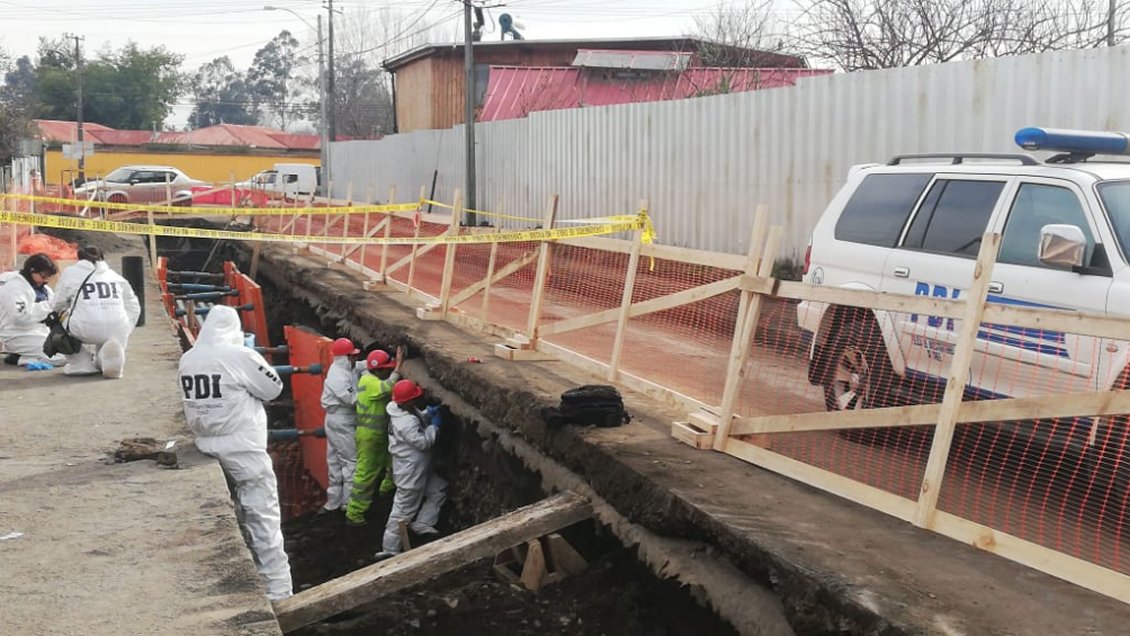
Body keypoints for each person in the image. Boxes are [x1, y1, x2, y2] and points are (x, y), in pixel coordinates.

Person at [178, 305, 292, 602]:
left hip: (206, 444)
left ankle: (253, 575)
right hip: (243, 447)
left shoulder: (188, 358)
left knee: (236, 514)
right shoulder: (238, 355)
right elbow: (273, 389)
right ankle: (279, 590)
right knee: (263, 516)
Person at [375, 379, 447, 560]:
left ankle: (423, 523)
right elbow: (423, 442)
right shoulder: (405, 422)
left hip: (419, 468)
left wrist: (427, 415)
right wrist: (435, 427)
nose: (416, 401)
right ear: (406, 401)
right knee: (402, 512)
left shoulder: (400, 409)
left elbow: (416, 419)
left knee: (438, 489)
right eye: (413, 398)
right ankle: (390, 549)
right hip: (410, 473)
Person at [52, 245, 140, 378]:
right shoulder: (114, 275)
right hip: (117, 328)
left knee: (53, 318)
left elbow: (57, 303)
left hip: (85, 329)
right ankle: (106, 359)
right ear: (102, 258)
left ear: (79, 258)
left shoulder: (71, 272)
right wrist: (127, 326)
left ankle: (80, 363)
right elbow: (133, 304)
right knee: (113, 330)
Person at [344, 346, 404, 527]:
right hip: (370, 437)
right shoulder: (369, 381)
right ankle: (354, 513)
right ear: (379, 368)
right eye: (386, 368)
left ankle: (385, 490)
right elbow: (388, 387)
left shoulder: (370, 378)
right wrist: (398, 368)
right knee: (365, 474)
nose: (388, 370)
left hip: (378, 435)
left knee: (392, 463)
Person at [318, 337, 362, 515]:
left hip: (336, 420)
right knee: (351, 461)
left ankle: (333, 503)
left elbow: (360, 366)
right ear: (345, 358)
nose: (355, 359)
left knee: (335, 461)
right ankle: (348, 504)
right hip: (341, 421)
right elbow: (352, 399)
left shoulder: (344, 367)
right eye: (352, 356)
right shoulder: (338, 376)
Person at [0, 253, 58, 366]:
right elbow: (20, 317)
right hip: (17, 333)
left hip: (39, 331)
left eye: (48, 277)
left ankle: (25, 355)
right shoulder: (15, 287)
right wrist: (49, 306)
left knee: (73, 351)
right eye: (43, 276)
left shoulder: (44, 289)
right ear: (32, 270)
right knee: (59, 356)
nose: (45, 280)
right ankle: (19, 359)